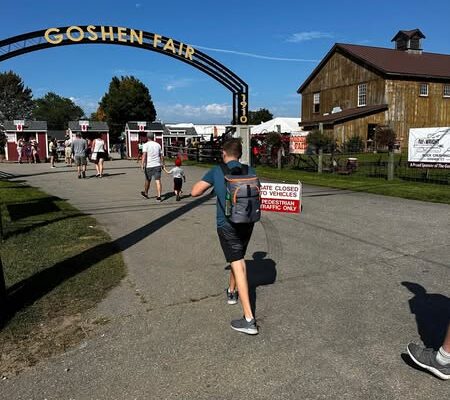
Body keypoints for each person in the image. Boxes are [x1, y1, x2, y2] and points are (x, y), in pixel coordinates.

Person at [191, 138, 258, 335]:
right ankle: (231, 292)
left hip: (227, 224)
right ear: (240, 153)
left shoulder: (216, 171)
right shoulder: (250, 171)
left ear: (223, 153)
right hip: (248, 222)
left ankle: (249, 319)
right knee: (237, 256)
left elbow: (194, 192)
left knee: (237, 261)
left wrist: (214, 187)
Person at [141, 132, 163, 201]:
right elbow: (161, 155)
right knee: (158, 180)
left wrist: (142, 164)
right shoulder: (158, 145)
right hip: (157, 164)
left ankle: (146, 193)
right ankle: (159, 196)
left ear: (147, 137)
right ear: (153, 137)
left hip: (149, 165)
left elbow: (144, 155)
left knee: (148, 180)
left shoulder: (145, 145)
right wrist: (162, 163)